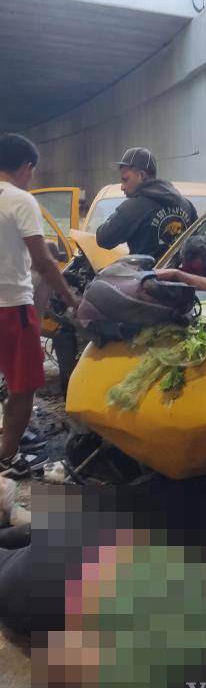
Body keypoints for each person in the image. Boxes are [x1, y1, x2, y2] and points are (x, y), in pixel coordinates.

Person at [0, 133, 78, 479]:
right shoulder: (20, 199)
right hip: (11, 306)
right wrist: (73, 298)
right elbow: (43, 261)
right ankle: (7, 454)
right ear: (26, 165)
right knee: (23, 385)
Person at [96, 147, 197, 261]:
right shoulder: (186, 205)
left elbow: (104, 239)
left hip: (147, 277)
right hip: (182, 277)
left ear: (142, 175)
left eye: (125, 179)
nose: (122, 187)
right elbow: (198, 245)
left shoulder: (132, 208)